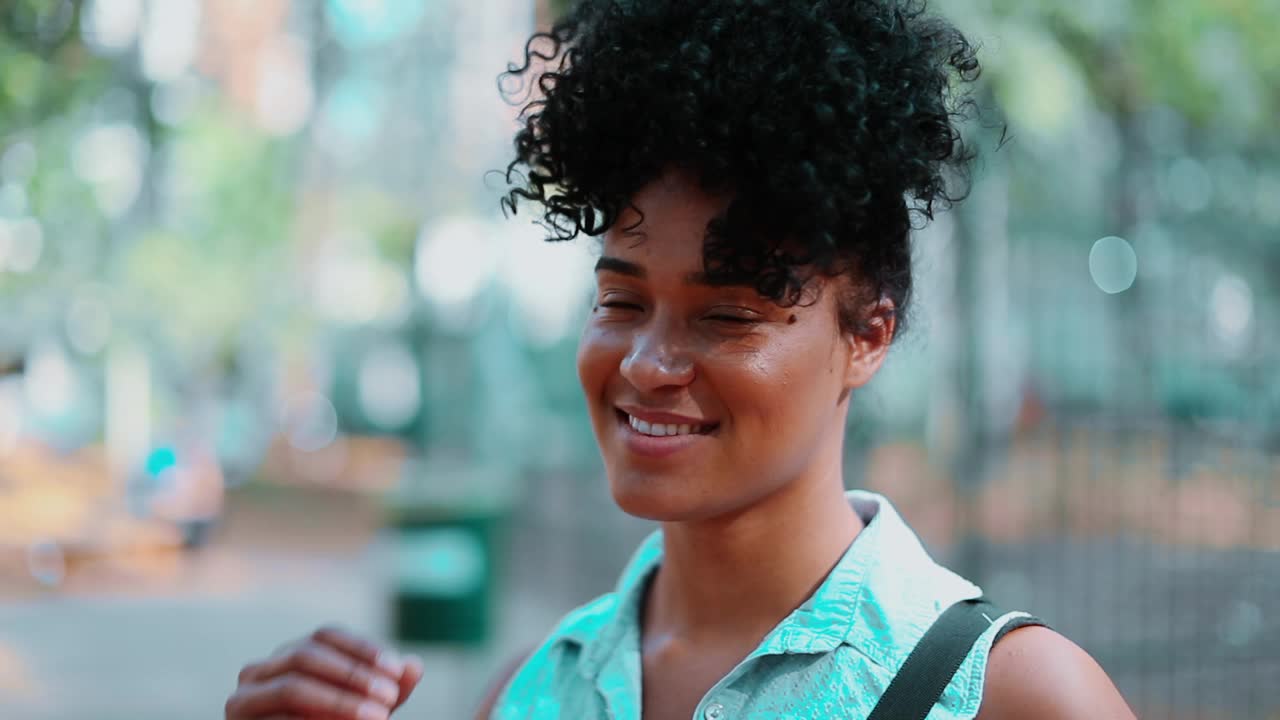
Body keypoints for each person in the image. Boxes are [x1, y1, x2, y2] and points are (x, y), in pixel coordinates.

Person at [225, 0, 1138, 718]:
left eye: (729, 315)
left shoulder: (1012, 698)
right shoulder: (531, 695)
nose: (649, 363)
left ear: (868, 338)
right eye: (621, 301)